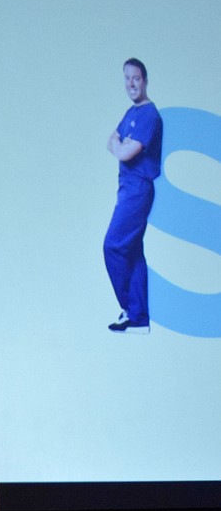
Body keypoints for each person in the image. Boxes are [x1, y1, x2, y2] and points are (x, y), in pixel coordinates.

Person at [103, 57, 163, 334]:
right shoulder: (131, 112)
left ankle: (129, 308)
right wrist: (119, 144)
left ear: (145, 80)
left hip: (138, 190)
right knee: (134, 252)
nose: (131, 84)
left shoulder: (150, 115)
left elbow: (125, 152)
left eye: (136, 78)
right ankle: (139, 317)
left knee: (113, 246)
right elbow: (110, 140)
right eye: (127, 78)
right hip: (127, 188)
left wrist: (121, 145)